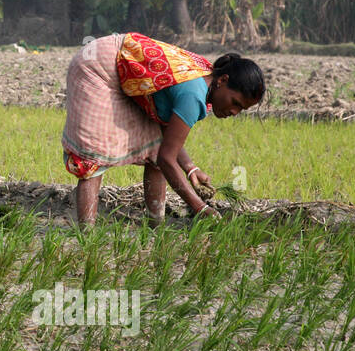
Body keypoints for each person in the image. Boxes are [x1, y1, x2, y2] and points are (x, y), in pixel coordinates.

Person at [61, 31, 264, 225]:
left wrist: (191, 168)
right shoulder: (193, 96)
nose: (235, 112)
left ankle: (155, 226)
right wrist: (200, 207)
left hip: (124, 73)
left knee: (155, 148)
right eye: (235, 102)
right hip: (97, 66)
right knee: (93, 155)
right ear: (223, 80)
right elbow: (167, 159)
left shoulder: (204, 80)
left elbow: (168, 141)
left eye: (241, 109)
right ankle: (86, 237)